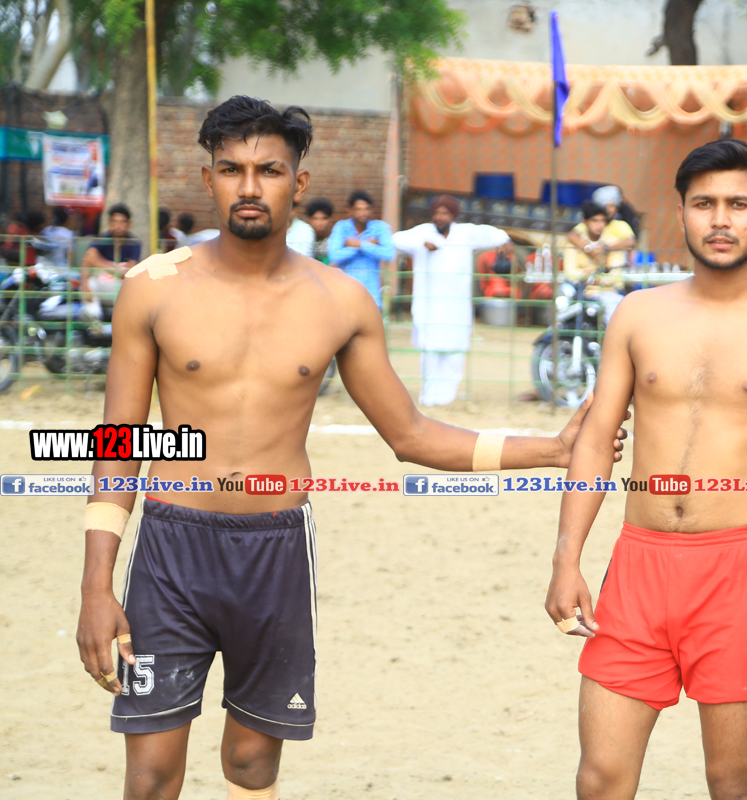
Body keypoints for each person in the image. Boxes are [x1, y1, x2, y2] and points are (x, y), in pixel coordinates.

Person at [76, 95, 625, 800]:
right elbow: (118, 443)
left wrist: (551, 449)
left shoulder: (339, 301)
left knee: (252, 764)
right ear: (209, 179)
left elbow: (411, 435)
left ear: (298, 183)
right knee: (150, 775)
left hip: (275, 550)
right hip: (171, 548)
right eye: (232, 169)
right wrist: (96, 586)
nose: (250, 186)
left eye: (270, 170)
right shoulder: (153, 288)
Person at [546, 139, 747, 800]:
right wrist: (567, 559)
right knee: (599, 777)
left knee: (733, 782)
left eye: (738, 204)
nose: (720, 219)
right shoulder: (637, 314)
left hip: (737, 571)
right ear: (679, 212)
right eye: (704, 203)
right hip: (637, 564)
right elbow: (596, 441)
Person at [393, 195, 510, 406]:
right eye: (437, 213)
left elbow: (496, 234)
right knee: (430, 352)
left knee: (455, 353)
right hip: (429, 305)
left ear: (453, 215)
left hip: (457, 307)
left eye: (445, 213)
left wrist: (505, 242)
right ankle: (429, 397)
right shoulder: (423, 232)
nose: (440, 217)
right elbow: (396, 240)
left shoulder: (465, 233)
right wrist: (421, 243)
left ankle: (447, 398)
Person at [563, 200, 633, 325]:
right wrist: (591, 256)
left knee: (614, 318)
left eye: (603, 221)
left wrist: (590, 277)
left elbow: (615, 276)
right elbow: (570, 272)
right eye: (595, 221)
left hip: (608, 293)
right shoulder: (575, 243)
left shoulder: (613, 243)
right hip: (579, 293)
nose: (600, 225)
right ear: (585, 222)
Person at [327, 190, 394, 309]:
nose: (363, 213)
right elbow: (334, 255)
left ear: (371, 210)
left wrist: (359, 244)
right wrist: (367, 245)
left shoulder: (380, 227)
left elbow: (389, 254)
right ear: (351, 210)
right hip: (346, 292)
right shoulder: (342, 227)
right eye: (358, 209)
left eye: (366, 209)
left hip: (372, 293)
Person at [80, 203, 141, 305]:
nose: (118, 226)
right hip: (102, 284)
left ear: (129, 224)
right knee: (89, 285)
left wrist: (99, 263)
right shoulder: (102, 239)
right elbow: (88, 258)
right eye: (115, 222)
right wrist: (85, 285)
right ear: (110, 222)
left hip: (122, 287)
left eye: (122, 222)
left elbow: (129, 272)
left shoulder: (134, 244)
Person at [566, 187, 638, 255]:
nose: (610, 210)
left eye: (612, 206)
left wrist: (606, 249)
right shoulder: (590, 223)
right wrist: (590, 251)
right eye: (606, 206)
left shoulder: (620, 225)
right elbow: (572, 235)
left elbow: (631, 242)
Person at [305, 197, 334, 264]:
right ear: (309, 220)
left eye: (324, 218)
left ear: (330, 220)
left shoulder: (334, 242)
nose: (319, 223)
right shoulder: (304, 241)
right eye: (315, 218)